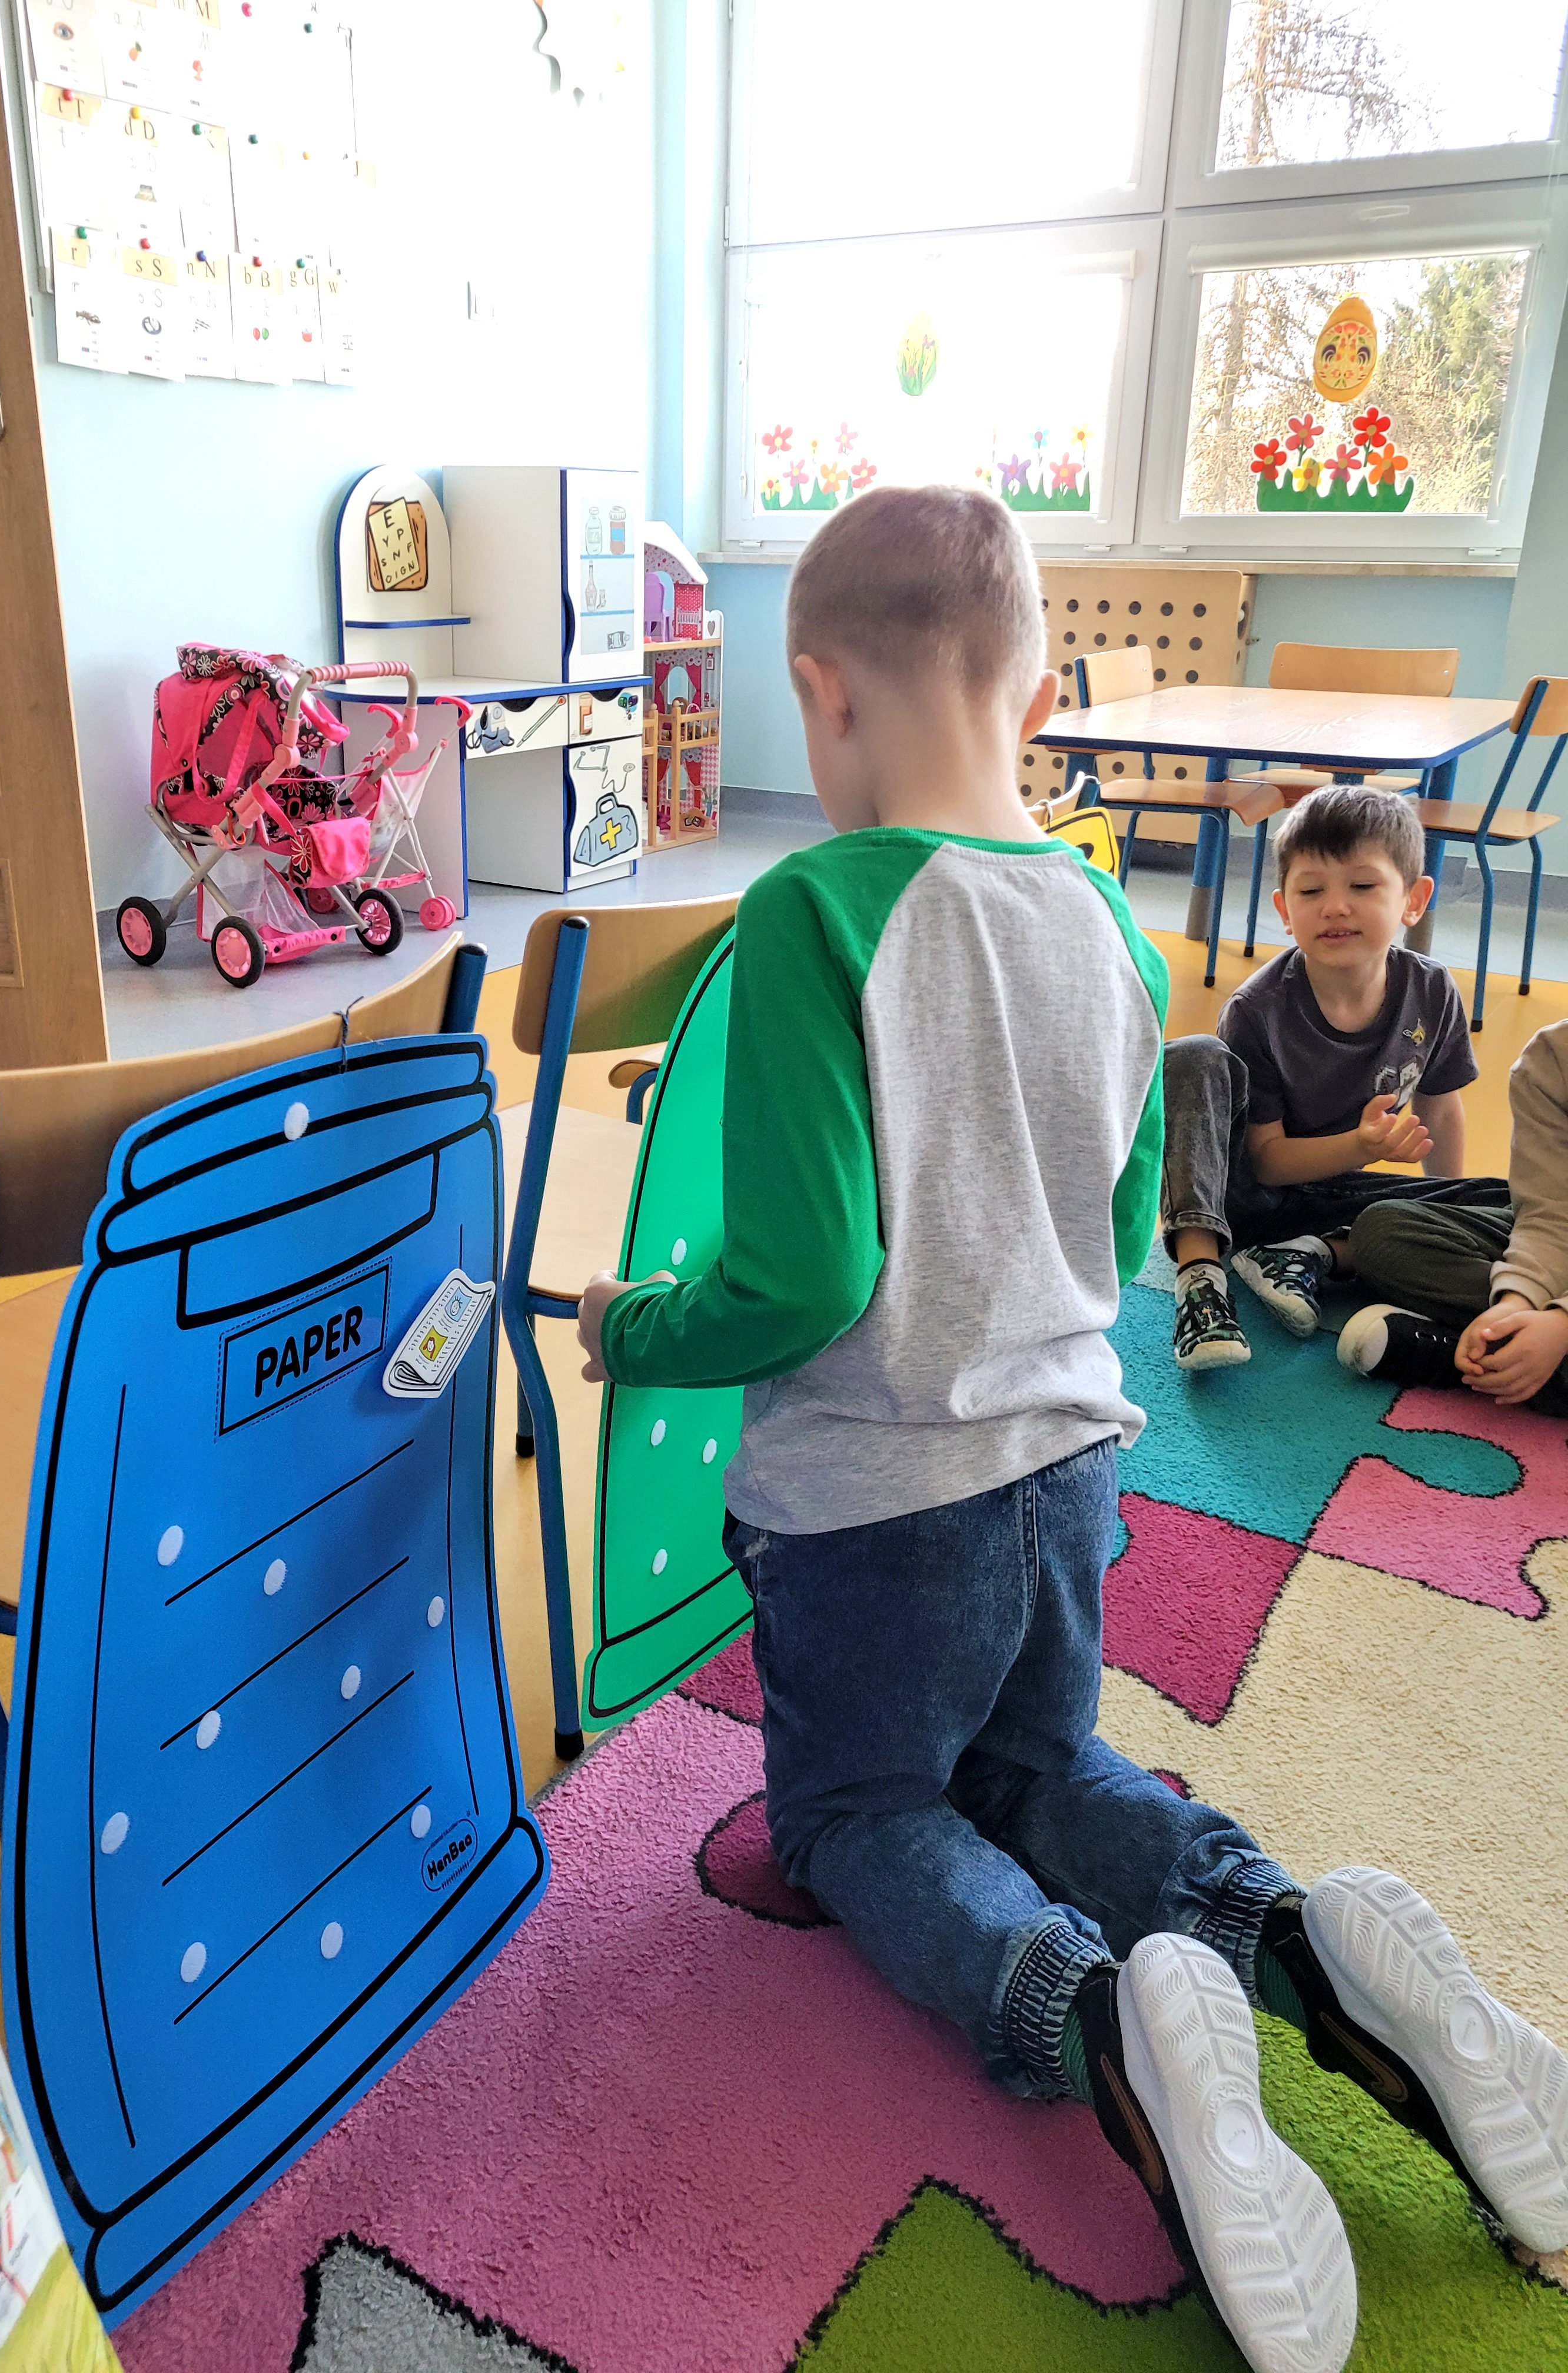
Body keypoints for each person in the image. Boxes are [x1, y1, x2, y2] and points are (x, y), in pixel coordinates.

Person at [573, 488, 1567, 2373]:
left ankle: (1096, 2015)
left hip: (874, 1504)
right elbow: (1119, 1242)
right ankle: (1295, 1939)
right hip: (1069, 1477)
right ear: (1038, 697)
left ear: (820, 693)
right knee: (1041, 1771)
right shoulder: (1108, 917)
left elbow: (800, 1279)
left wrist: (637, 1326)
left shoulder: (810, 908)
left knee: (859, 1813)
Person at [1160, 786, 1509, 1371]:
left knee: (1512, 1203)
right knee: (1192, 1053)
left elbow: (1441, 1108)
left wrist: (1443, 1211)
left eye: (1363, 886)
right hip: (1246, 1204)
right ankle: (1201, 1281)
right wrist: (1361, 1146)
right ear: (1284, 909)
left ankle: (1308, 1256)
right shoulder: (1258, 1010)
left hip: (1336, 1202)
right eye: (1312, 891)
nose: (1336, 907)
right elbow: (1266, 1163)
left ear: (1414, 900)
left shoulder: (1431, 989)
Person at [1339, 1016, 1568, 1414]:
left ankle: (1462, 1358)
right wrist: (1515, 1302)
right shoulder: (1552, 1058)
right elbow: (1550, 1212)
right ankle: (1513, 1349)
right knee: (1382, 1232)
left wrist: (1562, 1325)